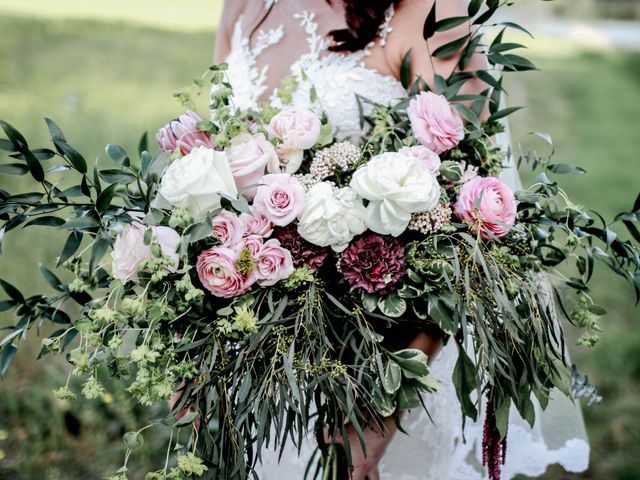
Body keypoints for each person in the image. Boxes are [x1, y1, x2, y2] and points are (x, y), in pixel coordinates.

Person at [213, 1, 591, 478]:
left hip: (381, 362)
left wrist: (381, 409)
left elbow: (472, 232)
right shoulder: (244, 6)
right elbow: (213, 170)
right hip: (262, 375)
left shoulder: (428, 10)